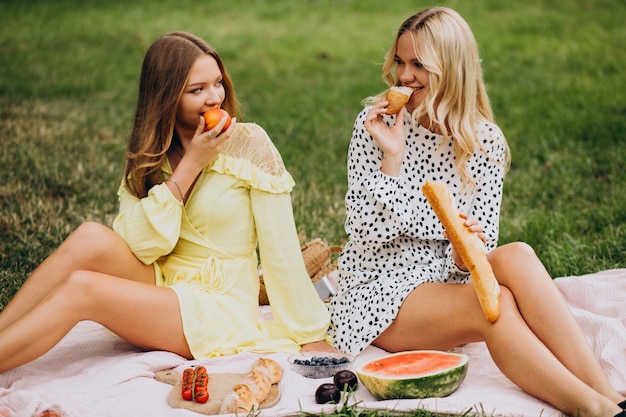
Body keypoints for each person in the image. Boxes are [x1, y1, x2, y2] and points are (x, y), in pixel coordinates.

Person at [327, 7, 625, 417]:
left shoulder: (484, 141)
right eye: (400, 61)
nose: (404, 75)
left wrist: (459, 243)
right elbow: (365, 231)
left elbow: (476, 263)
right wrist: (391, 158)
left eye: (419, 65)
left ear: (452, 69)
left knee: (516, 255)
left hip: (443, 279)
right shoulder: (376, 126)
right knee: (493, 306)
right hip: (379, 290)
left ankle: (609, 392)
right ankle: (593, 409)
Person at [0, 31, 336, 374]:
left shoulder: (250, 143)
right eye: (197, 90)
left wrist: (310, 334)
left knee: (83, 288)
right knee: (90, 236)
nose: (214, 97)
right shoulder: (151, 155)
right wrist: (188, 167)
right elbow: (138, 246)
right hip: (164, 283)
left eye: (218, 83)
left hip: (218, 305)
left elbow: (281, 251)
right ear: (167, 98)